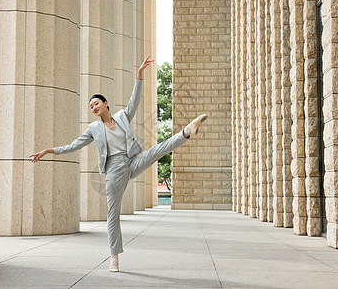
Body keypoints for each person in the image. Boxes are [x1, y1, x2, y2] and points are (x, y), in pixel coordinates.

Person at [29, 55, 207, 272]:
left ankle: (187, 131)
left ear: (106, 103)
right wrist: (50, 150)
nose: (93, 107)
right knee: (113, 213)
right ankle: (114, 257)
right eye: (91, 106)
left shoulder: (122, 116)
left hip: (131, 161)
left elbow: (135, 100)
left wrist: (139, 75)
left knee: (157, 150)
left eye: (96, 103)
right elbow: (74, 146)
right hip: (113, 171)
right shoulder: (93, 129)